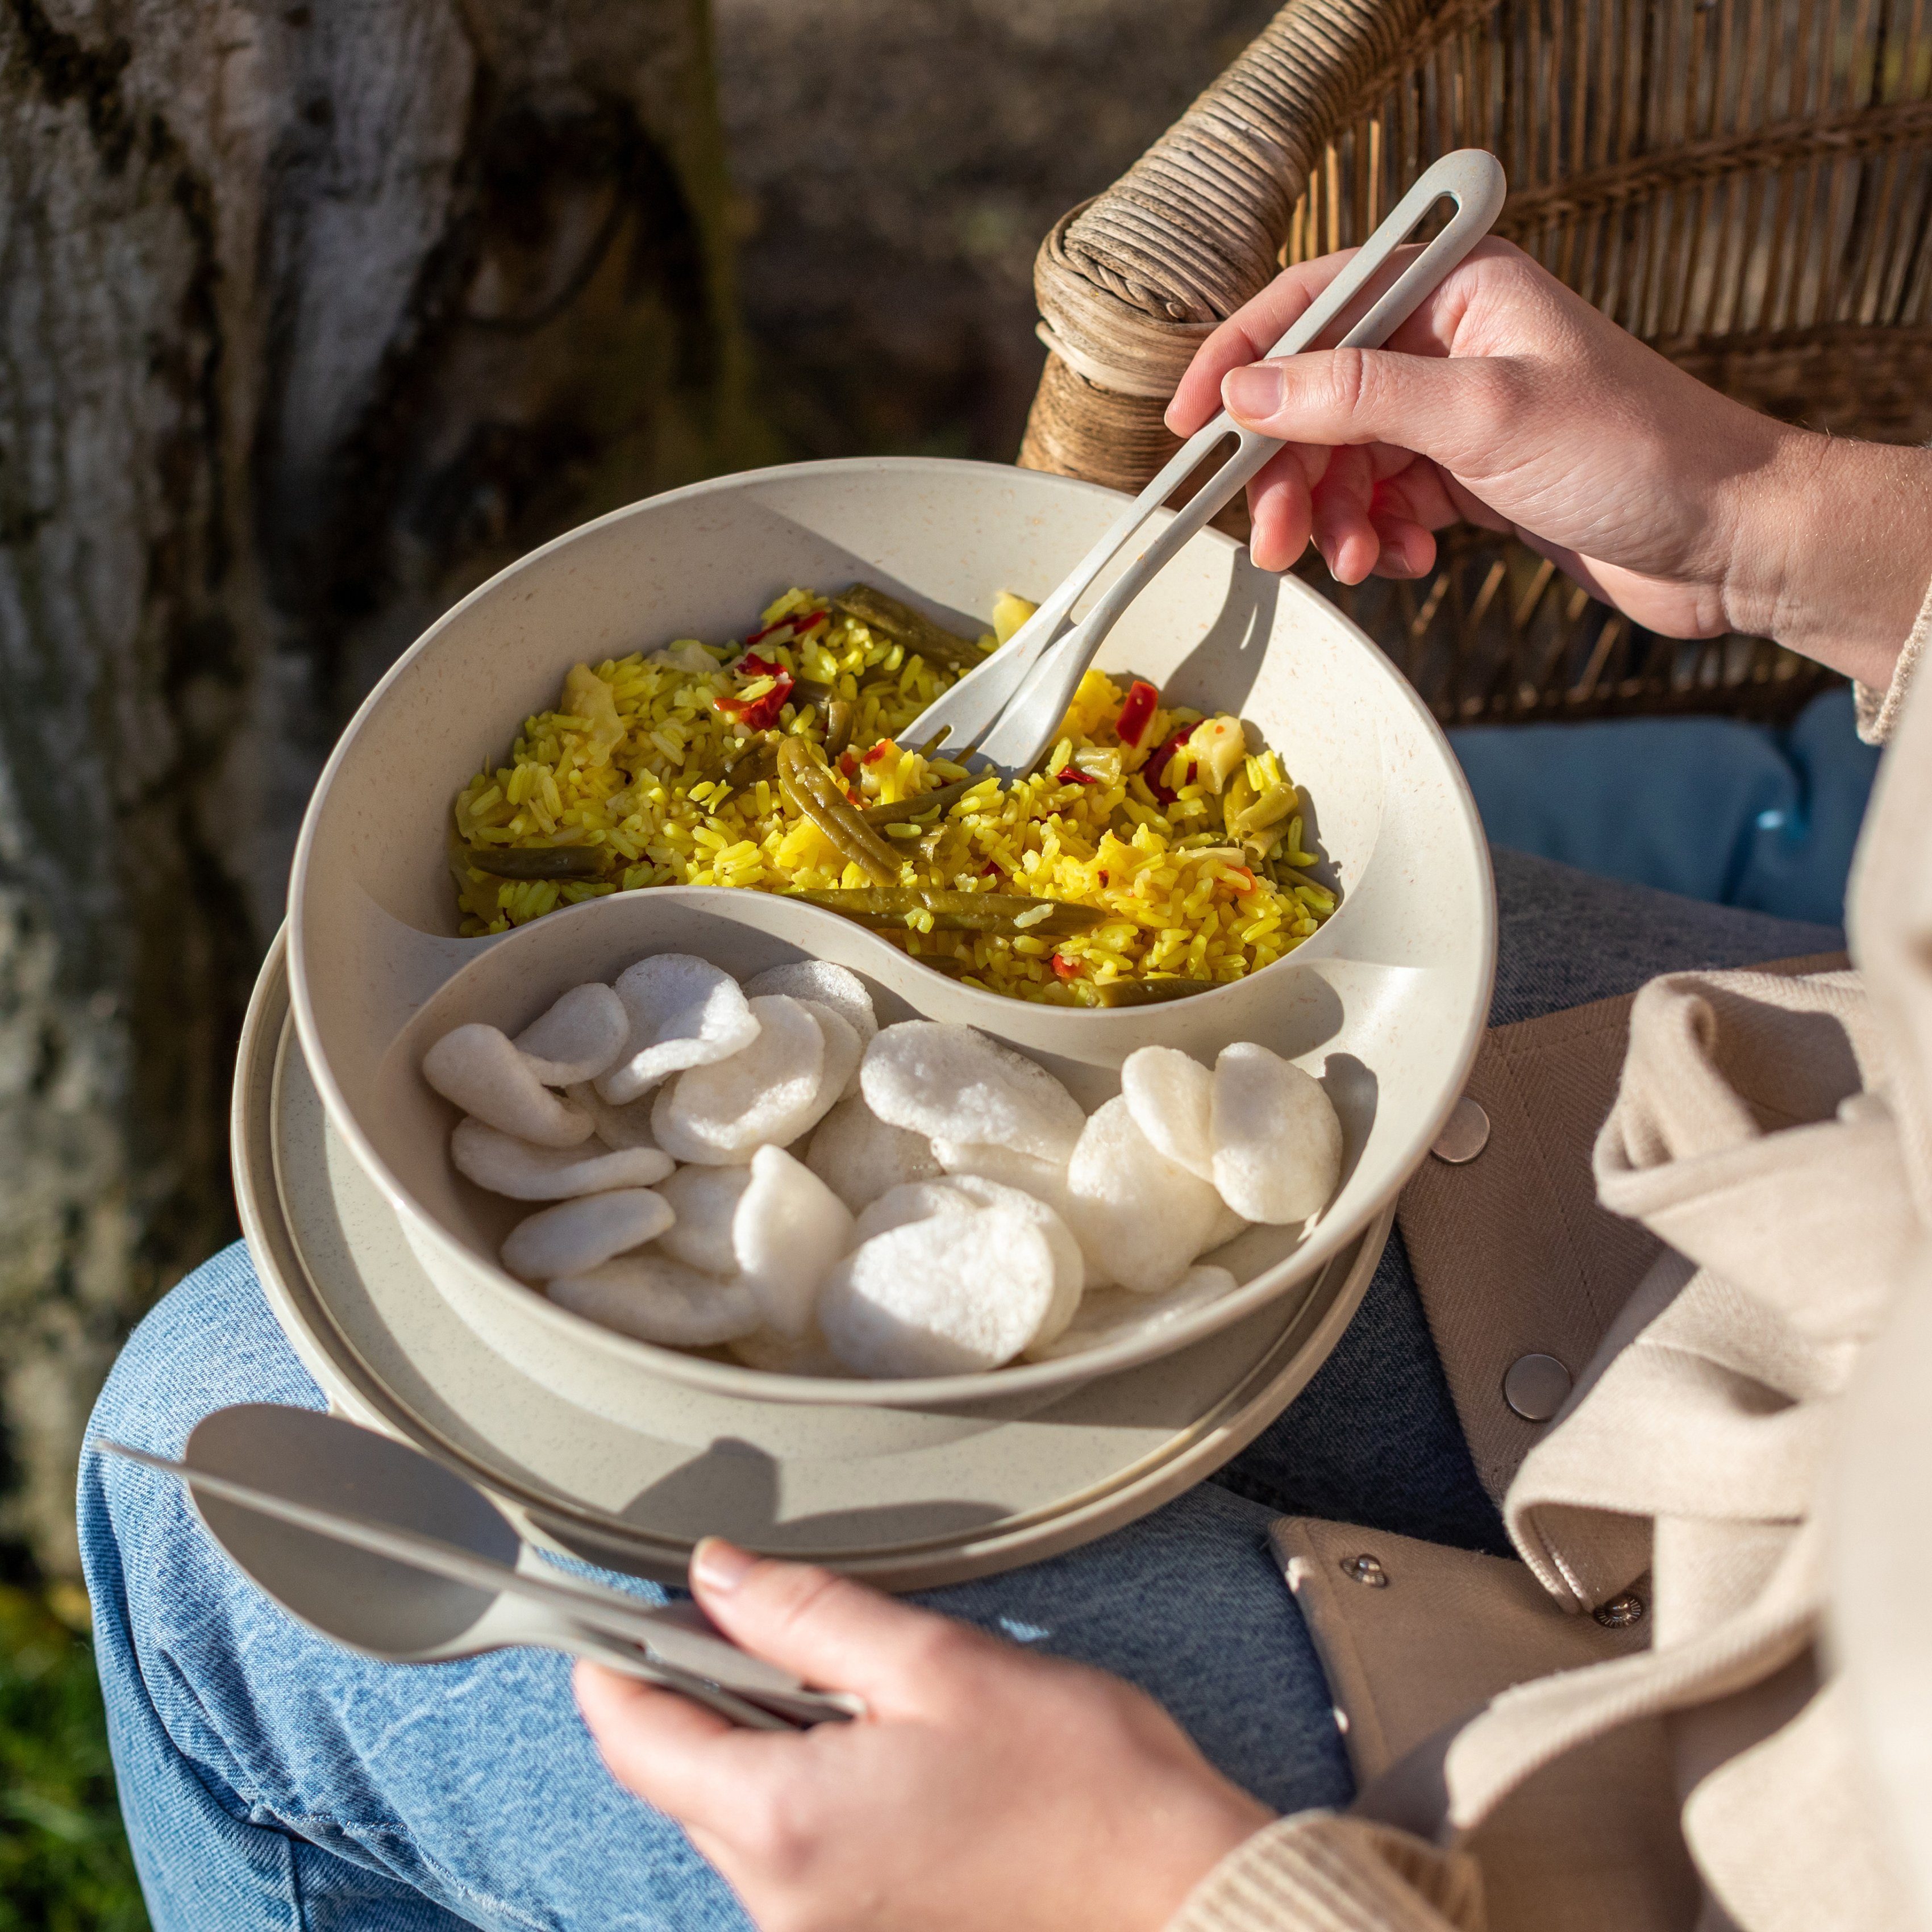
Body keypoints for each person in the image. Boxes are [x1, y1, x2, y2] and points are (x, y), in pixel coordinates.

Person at [81, 239, 1932, 1932]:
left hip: (1628, 1815)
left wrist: (1170, 1892)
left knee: (197, 1465)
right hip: (1822, 1139)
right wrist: (1782, 525)